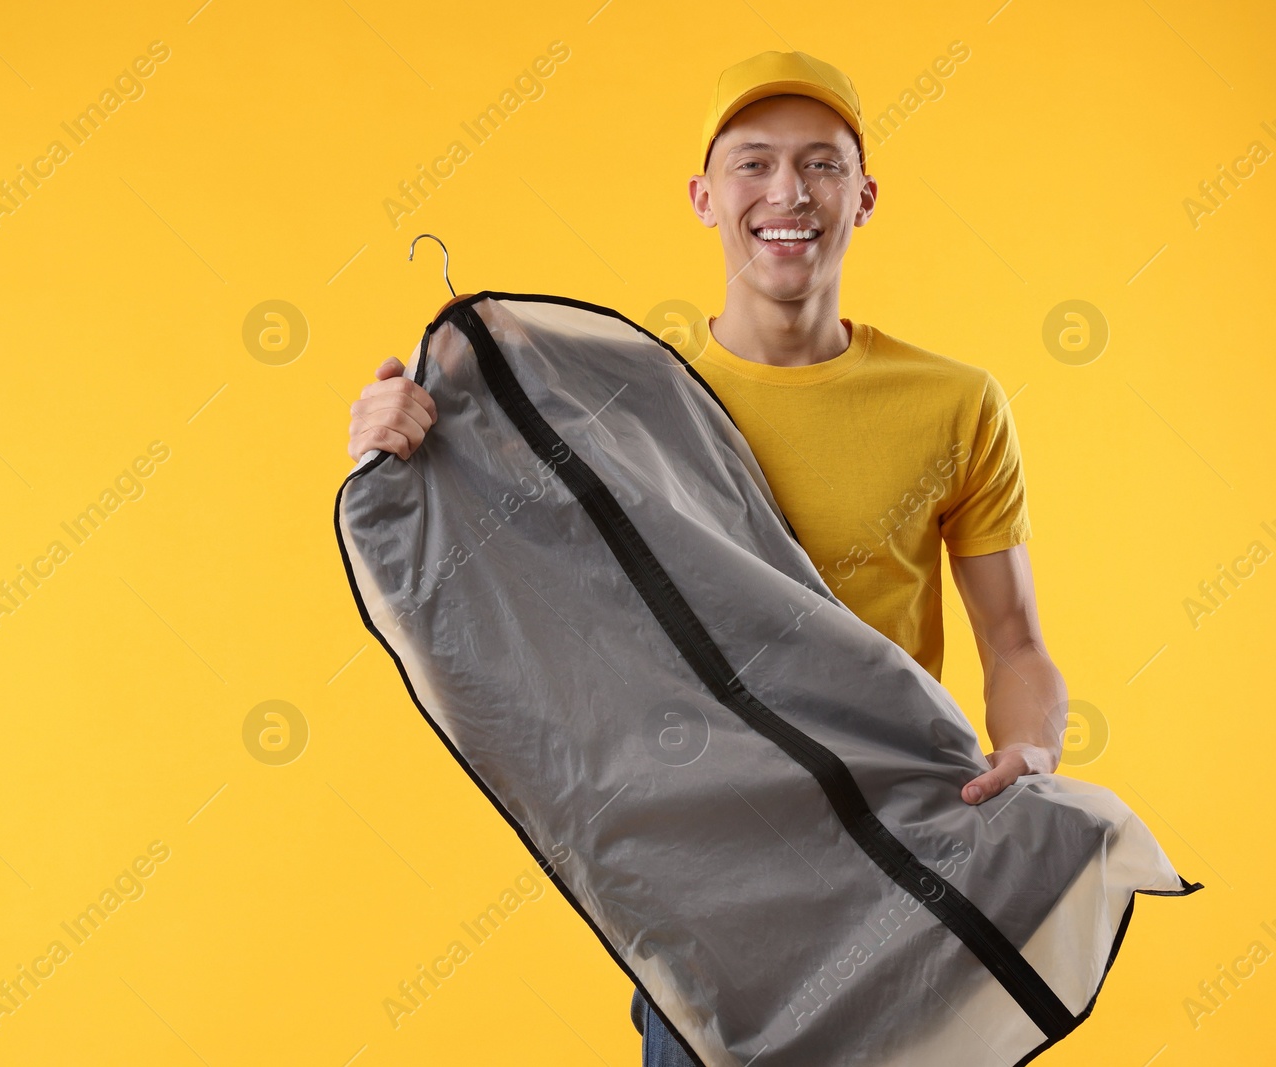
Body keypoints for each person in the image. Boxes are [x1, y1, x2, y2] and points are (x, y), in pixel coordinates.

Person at [345, 50, 1069, 1067]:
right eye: (752, 164)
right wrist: (405, 447)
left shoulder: (953, 403)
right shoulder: (615, 404)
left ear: (863, 197)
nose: (787, 193)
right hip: (704, 902)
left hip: (895, 872)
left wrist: (1030, 751)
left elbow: (1014, 639)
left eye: (820, 165)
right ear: (702, 196)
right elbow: (497, 598)